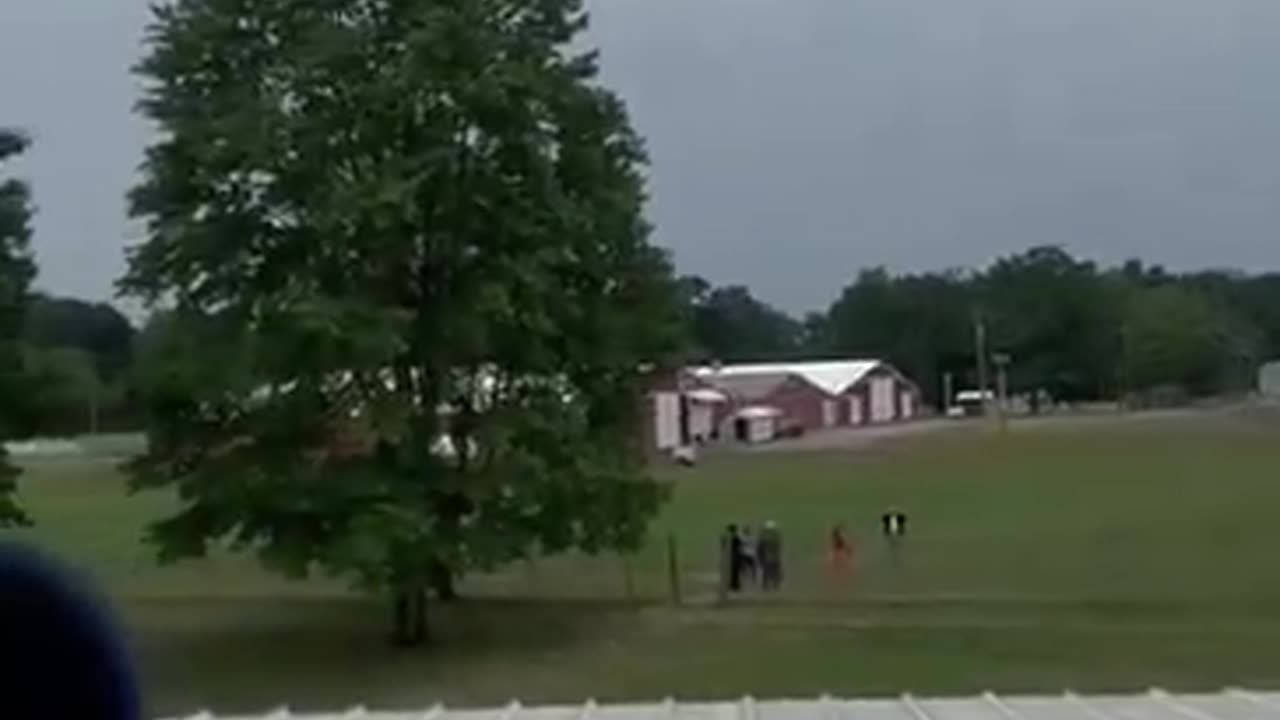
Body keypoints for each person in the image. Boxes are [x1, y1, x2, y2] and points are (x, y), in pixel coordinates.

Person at [758, 521, 783, 590]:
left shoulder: (764, 537)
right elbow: (778, 546)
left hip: (767, 556)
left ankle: (765, 586)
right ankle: (776, 585)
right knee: (776, 571)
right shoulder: (776, 537)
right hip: (775, 556)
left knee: (766, 572)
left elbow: (760, 547)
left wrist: (760, 557)